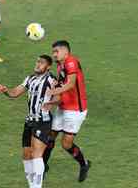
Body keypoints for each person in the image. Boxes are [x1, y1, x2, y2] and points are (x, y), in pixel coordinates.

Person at [0, 55, 59, 188]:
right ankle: (32, 185)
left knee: (36, 154)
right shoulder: (30, 79)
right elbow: (15, 93)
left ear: (48, 67)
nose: (38, 64)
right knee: (26, 155)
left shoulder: (51, 79)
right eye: (37, 62)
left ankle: (37, 186)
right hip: (29, 121)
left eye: (41, 63)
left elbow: (59, 94)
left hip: (43, 121)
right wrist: (6, 91)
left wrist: (52, 102)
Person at [42, 40, 91, 182]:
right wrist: (52, 101)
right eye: (53, 52)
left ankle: (84, 164)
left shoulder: (71, 62)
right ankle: (43, 166)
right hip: (63, 107)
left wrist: (52, 91)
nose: (54, 54)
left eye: (56, 51)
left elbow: (70, 84)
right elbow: (61, 84)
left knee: (66, 144)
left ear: (65, 51)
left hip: (75, 110)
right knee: (50, 136)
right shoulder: (60, 65)